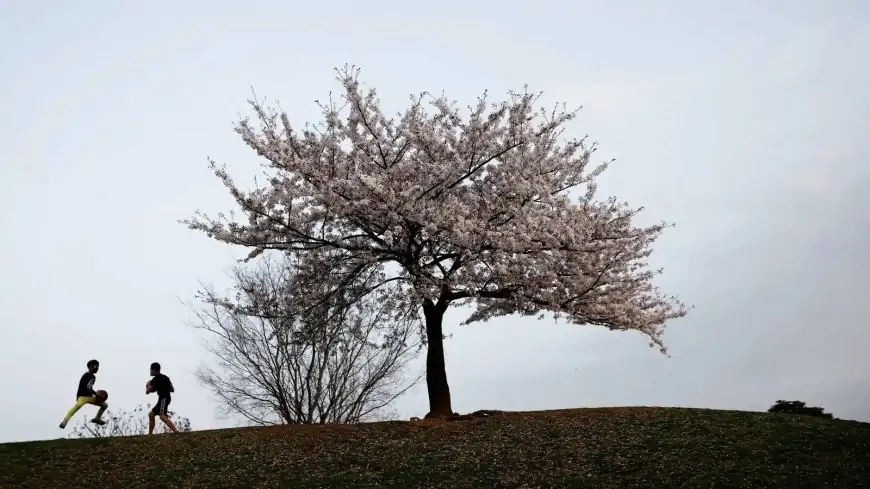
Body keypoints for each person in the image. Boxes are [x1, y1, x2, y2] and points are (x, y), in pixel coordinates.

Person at [59, 359, 108, 429]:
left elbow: (89, 387)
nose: (97, 368)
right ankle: (65, 421)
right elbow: (88, 387)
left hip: (89, 396)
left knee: (105, 405)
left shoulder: (93, 376)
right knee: (77, 406)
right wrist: (96, 393)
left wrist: (95, 393)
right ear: (89, 367)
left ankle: (97, 418)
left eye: (98, 366)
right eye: (95, 366)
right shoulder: (88, 375)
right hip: (82, 397)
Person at [146, 362, 179, 434]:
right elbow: (172, 389)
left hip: (164, 398)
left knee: (162, 416)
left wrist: (149, 385)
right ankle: (150, 434)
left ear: (154, 370)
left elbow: (148, 391)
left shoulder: (155, 380)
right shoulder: (165, 378)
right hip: (163, 399)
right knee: (151, 415)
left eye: (151, 370)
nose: (150, 372)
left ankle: (176, 431)